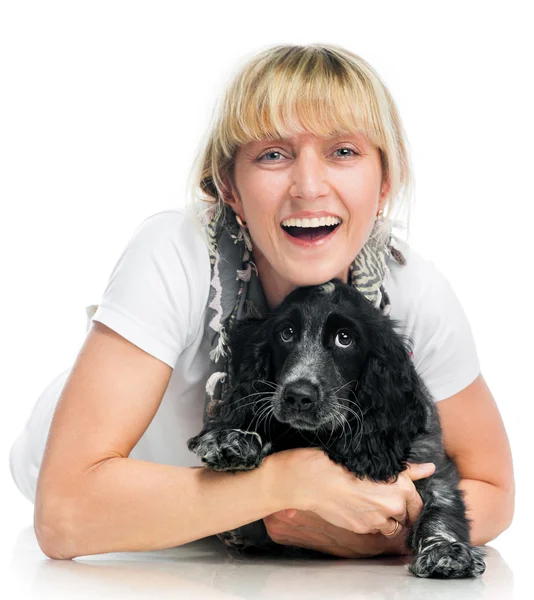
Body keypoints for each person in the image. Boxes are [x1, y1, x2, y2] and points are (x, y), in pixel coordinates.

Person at [9, 43, 514, 561]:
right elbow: (63, 514)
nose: (309, 187)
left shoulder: (414, 293)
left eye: (343, 151)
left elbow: (493, 489)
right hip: (83, 472)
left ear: (385, 183)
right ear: (229, 187)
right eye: (273, 154)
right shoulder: (173, 252)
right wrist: (289, 486)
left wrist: (373, 533)